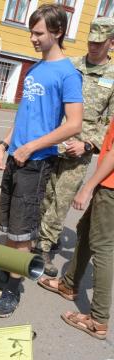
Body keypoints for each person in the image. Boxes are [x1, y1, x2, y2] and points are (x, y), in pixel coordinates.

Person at [0, 4, 83, 318]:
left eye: (39, 33)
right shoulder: (35, 69)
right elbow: (24, 115)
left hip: (36, 163)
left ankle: (12, 290)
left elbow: (73, 124)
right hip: (15, 158)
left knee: (22, 232)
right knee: (7, 226)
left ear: (57, 32)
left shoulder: (68, 73)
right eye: (31, 32)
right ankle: (4, 274)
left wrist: (30, 146)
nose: (32, 38)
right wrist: (4, 143)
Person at [34, 17, 114, 277]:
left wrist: (88, 144)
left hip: (81, 148)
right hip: (54, 140)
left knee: (61, 199)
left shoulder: (113, 77)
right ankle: (42, 236)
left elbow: (110, 123)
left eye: (99, 43)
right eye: (91, 41)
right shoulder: (71, 66)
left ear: (111, 43)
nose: (93, 46)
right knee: (44, 194)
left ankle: (42, 248)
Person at [37, 116, 114, 340]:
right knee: (85, 229)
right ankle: (69, 285)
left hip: (110, 187)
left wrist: (88, 187)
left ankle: (98, 320)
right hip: (108, 185)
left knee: (103, 247)